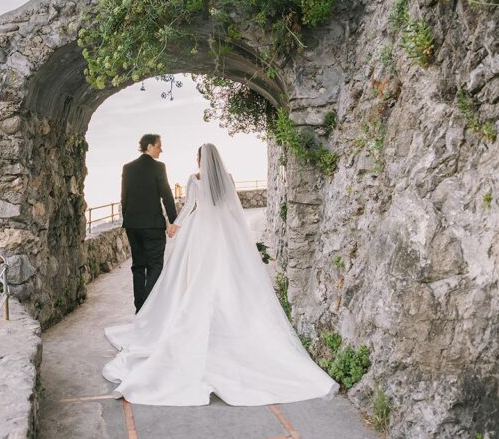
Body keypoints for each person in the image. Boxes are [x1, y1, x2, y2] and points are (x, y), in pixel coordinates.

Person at [103, 143, 339, 406]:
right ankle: (229, 316)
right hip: (224, 231)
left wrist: (175, 226)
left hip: (200, 229)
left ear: (200, 159)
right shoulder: (227, 179)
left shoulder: (194, 179)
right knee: (228, 275)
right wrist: (242, 238)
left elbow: (190, 205)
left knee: (194, 277)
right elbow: (232, 207)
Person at [120, 134, 178, 313]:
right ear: (150, 146)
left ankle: (140, 308)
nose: (161, 149)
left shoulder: (128, 168)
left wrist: (128, 220)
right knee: (155, 266)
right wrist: (174, 221)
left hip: (132, 225)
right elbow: (167, 195)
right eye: (159, 146)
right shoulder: (159, 167)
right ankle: (148, 309)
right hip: (153, 226)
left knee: (138, 267)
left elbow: (124, 198)